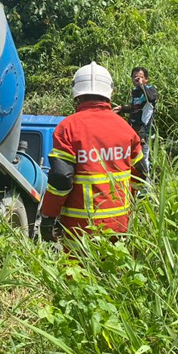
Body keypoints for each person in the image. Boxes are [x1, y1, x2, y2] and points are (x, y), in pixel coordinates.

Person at [39, 62, 147, 243]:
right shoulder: (125, 128)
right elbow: (141, 173)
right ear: (108, 92)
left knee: (76, 271)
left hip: (80, 228)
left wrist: (48, 217)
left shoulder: (67, 127)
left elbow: (61, 178)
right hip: (120, 227)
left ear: (77, 94)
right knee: (114, 270)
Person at [114, 66, 158, 175]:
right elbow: (136, 108)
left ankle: (146, 188)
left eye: (140, 77)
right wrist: (123, 109)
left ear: (146, 79)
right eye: (134, 77)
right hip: (134, 130)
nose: (137, 79)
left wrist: (142, 85)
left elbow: (151, 99)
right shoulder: (135, 92)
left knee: (143, 158)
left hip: (145, 131)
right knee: (133, 158)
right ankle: (136, 186)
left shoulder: (150, 90)